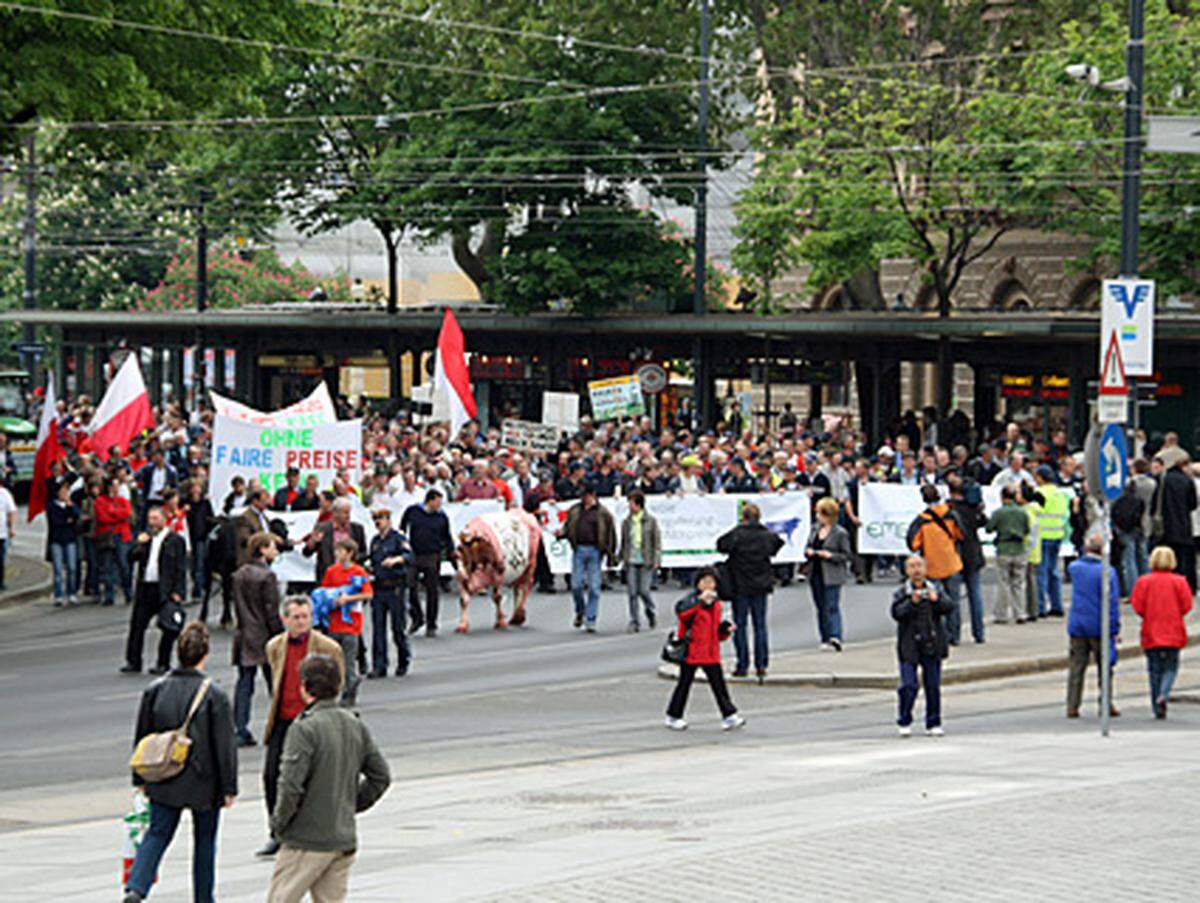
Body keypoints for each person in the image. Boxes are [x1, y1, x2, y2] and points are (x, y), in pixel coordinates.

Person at [122, 622, 237, 903]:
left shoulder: (155, 689)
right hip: (203, 781)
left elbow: (143, 739)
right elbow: (224, 746)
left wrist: (141, 779)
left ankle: (137, 887)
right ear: (205, 654)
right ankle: (203, 898)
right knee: (205, 841)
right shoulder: (214, 695)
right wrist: (228, 787)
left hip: (163, 774)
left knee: (158, 833)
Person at [266, 654, 391, 903]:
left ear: (304, 687)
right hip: (341, 836)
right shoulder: (353, 724)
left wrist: (278, 823)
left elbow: (290, 784)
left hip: (306, 838)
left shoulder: (304, 728)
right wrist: (350, 804)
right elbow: (381, 776)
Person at [259, 597, 344, 860]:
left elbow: (339, 682)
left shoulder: (327, 647)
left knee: (311, 779)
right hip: (284, 721)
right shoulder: (274, 646)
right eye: (296, 617)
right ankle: (278, 832)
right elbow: (272, 678)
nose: (301, 622)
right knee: (272, 775)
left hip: (313, 721)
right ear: (285, 620)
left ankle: (313, 831)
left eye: (305, 616)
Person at [663, 567, 744, 732]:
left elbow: (715, 631)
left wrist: (725, 630)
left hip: (710, 652)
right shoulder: (691, 601)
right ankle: (674, 715)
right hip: (692, 650)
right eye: (704, 582)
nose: (708, 586)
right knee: (684, 684)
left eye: (711, 582)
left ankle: (729, 715)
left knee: (719, 686)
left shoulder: (716, 605)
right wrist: (700, 601)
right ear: (698, 584)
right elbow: (682, 613)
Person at [716, 502, 784, 680]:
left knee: (740, 626)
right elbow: (778, 544)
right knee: (760, 625)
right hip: (761, 584)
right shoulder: (766, 535)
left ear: (743, 517)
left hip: (740, 585)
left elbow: (721, 544)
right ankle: (761, 664)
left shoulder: (738, 534)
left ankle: (742, 664)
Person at [891, 555, 954, 737]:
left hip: (932, 643)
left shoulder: (936, 588)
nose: (916, 570)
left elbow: (949, 607)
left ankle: (933, 722)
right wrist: (912, 602)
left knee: (932, 685)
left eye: (919, 566)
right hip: (909, 645)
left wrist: (937, 600)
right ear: (906, 571)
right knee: (908, 685)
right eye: (912, 567)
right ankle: (904, 719)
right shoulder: (902, 592)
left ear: (925, 569)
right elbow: (897, 613)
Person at [232, 532, 284, 747]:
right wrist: (280, 634)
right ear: (262, 549)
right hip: (264, 635)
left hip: (245, 633)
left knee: (244, 685)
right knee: (276, 683)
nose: (276, 551)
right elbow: (271, 610)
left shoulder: (240, 574)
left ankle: (240, 727)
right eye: (273, 547)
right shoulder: (266, 576)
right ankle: (281, 725)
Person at [122, 507, 188, 675]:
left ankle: (163, 662)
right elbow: (130, 558)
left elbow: (181, 568)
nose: (152, 522)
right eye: (150, 518)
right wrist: (138, 544)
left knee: (168, 627)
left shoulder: (175, 540)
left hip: (164, 589)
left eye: (155, 518)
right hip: (146, 587)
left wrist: (179, 591)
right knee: (137, 626)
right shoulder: (146, 538)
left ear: (164, 519)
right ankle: (133, 661)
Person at [1130, 546, 1193, 719]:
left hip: (1151, 629)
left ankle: (1156, 706)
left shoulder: (1144, 581)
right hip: (1173, 628)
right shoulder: (1179, 581)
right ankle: (1164, 694)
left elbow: (1137, 605)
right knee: (1171, 667)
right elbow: (1187, 605)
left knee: (1154, 670)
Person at [1065, 533, 1121, 719]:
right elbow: (1112, 604)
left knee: (1076, 667)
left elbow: (1077, 563)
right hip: (1100, 625)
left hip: (1078, 625)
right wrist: (1115, 629)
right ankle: (1105, 703)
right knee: (1104, 668)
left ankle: (1072, 705)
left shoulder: (1075, 568)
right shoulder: (1108, 572)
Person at [906, 484, 965, 644]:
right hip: (951, 562)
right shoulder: (951, 515)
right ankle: (955, 635)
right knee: (953, 602)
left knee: (935, 603)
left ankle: (941, 636)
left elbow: (913, 544)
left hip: (932, 566)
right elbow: (961, 535)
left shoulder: (922, 520)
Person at [321, 537, 373, 707]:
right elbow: (324, 591)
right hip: (334, 622)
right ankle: (343, 688)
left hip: (351, 625)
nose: (337, 554)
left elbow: (368, 594)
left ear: (350, 553)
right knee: (334, 661)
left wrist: (349, 598)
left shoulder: (358, 573)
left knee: (348, 660)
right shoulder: (331, 571)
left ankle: (349, 689)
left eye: (341, 551)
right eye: (336, 551)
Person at [561, 487, 617, 632]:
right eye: (583, 496)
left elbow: (611, 534)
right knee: (576, 585)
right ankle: (580, 610)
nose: (585, 499)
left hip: (595, 551)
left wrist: (610, 554)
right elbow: (568, 527)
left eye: (587, 496)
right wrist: (561, 534)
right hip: (579, 549)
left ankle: (591, 618)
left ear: (593, 496)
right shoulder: (575, 510)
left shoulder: (603, 513)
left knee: (594, 587)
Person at [400, 488, 455, 636]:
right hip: (415, 553)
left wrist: (452, 553)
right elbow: (402, 527)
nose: (439, 506)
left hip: (432, 555)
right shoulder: (413, 511)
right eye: (438, 502)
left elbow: (447, 537)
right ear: (430, 501)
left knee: (432, 591)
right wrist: (403, 540)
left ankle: (432, 624)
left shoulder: (441, 517)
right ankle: (417, 617)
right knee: (409, 586)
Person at [367, 506, 412, 678]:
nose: (379, 523)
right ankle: (379, 665)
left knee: (397, 627)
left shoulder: (397, 538)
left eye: (381, 519)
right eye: (376, 520)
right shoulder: (375, 541)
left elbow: (409, 556)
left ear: (388, 520)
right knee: (378, 628)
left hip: (395, 587)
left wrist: (396, 560)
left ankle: (403, 659)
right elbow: (373, 559)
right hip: (379, 587)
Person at [804, 497, 851, 653]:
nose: (817, 516)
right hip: (815, 572)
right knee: (820, 606)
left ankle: (835, 636)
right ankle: (824, 637)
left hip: (831, 573)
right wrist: (809, 551)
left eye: (819, 513)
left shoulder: (840, 533)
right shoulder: (814, 529)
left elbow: (846, 555)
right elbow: (808, 545)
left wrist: (830, 555)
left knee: (832, 605)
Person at [1151, 447, 1198, 593]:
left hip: (1165, 526)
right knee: (1185, 558)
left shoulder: (1162, 480)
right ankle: (1187, 587)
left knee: (1166, 558)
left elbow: (1154, 504)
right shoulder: (1187, 481)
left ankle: (1166, 587)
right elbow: (1193, 504)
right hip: (1183, 525)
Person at [618, 490, 661, 633]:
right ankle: (634, 621)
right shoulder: (627, 522)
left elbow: (656, 541)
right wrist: (619, 557)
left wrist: (656, 559)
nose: (629, 506)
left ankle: (650, 610)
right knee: (632, 592)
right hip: (631, 559)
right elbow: (624, 542)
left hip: (646, 559)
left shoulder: (651, 521)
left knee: (643, 590)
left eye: (631, 503)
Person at [987, 486, 1029, 623]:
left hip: (1004, 548)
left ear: (1002, 497)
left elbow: (989, 528)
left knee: (1003, 583)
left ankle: (1002, 614)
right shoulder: (1022, 512)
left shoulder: (999, 513)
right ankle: (1020, 613)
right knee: (1018, 583)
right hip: (1019, 548)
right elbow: (1027, 529)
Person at [303, 497, 367, 583]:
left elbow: (363, 552)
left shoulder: (357, 529)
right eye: (345, 513)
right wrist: (312, 543)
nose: (348, 516)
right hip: (328, 577)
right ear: (335, 513)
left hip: (350, 577)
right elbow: (307, 553)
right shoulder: (322, 528)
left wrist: (350, 559)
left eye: (349, 512)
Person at [1034, 465, 1068, 617]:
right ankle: (1057, 605)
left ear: (1040, 478)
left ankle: (1041, 607)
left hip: (1042, 535)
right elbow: (1065, 513)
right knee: (1053, 571)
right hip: (1057, 535)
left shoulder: (1039, 493)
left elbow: (1034, 512)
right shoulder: (1060, 493)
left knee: (1041, 572)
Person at [96, 475, 134, 606]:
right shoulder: (100, 500)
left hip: (121, 536)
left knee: (124, 565)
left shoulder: (123, 500)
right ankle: (109, 595)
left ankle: (128, 592)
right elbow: (102, 518)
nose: (117, 488)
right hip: (107, 536)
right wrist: (117, 515)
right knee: (108, 567)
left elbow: (127, 513)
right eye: (115, 485)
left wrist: (112, 512)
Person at [47, 480, 81, 606]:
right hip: (56, 540)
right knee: (58, 569)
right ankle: (58, 595)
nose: (65, 493)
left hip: (70, 539)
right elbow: (56, 521)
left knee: (72, 568)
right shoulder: (51, 506)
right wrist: (68, 520)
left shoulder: (71, 505)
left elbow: (77, 516)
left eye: (67, 491)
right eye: (62, 491)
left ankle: (71, 593)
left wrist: (70, 507)